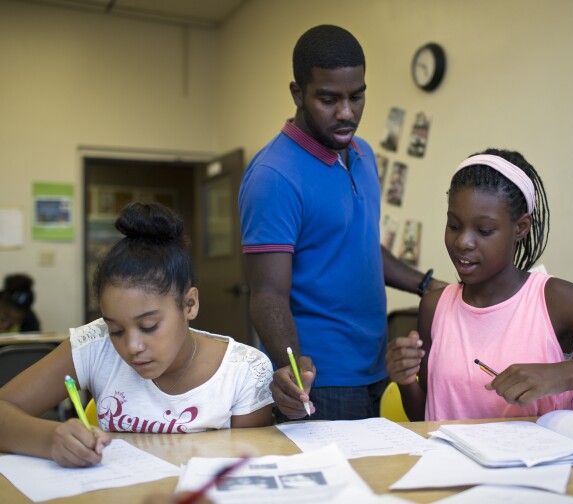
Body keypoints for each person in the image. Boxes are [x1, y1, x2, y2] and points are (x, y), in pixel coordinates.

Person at [238, 24, 445, 422]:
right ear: (298, 93)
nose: (347, 112)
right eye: (329, 99)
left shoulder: (362, 154)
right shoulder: (273, 176)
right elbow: (267, 295)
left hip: (377, 367)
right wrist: (296, 372)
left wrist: (426, 285)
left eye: (357, 96)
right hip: (323, 382)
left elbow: (360, 245)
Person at [386, 148, 573, 421]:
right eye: (454, 225)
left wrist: (563, 375)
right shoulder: (435, 307)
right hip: (455, 470)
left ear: (520, 228)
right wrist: (406, 381)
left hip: (544, 471)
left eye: (484, 230)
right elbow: (428, 416)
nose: (463, 242)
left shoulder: (555, 301)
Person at [0, 202, 274, 468]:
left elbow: (248, 467)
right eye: (116, 330)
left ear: (189, 305)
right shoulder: (95, 346)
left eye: (149, 326)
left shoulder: (243, 370)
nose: (132, 347)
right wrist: (50, 439)